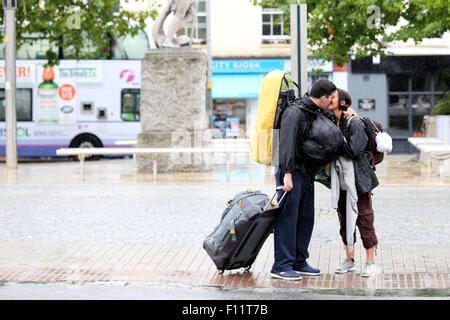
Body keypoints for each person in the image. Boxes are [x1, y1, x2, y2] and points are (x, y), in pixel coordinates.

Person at [271, 79, 355, 281]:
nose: (334, 101)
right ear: (324, 97)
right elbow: (286, 144)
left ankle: (299, 260)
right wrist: (287, 174)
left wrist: (349, 112)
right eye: (332, 97)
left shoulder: (315, 111)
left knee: (305, 217)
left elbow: (333, 127)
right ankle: (281, 265)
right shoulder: (294, 112)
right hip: (291, 172)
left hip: (306, 172)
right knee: (288, 218)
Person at [328, 89, 379, 277]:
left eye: (333, 97)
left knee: (364, 218)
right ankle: (349, 259)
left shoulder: (354, 122)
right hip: (341, 180)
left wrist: (334, 144)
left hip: (360, 179)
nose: (329, 99)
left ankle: (370, 261)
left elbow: (354, 150)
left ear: (343, 102)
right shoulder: (331, 121)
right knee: (344, 220)